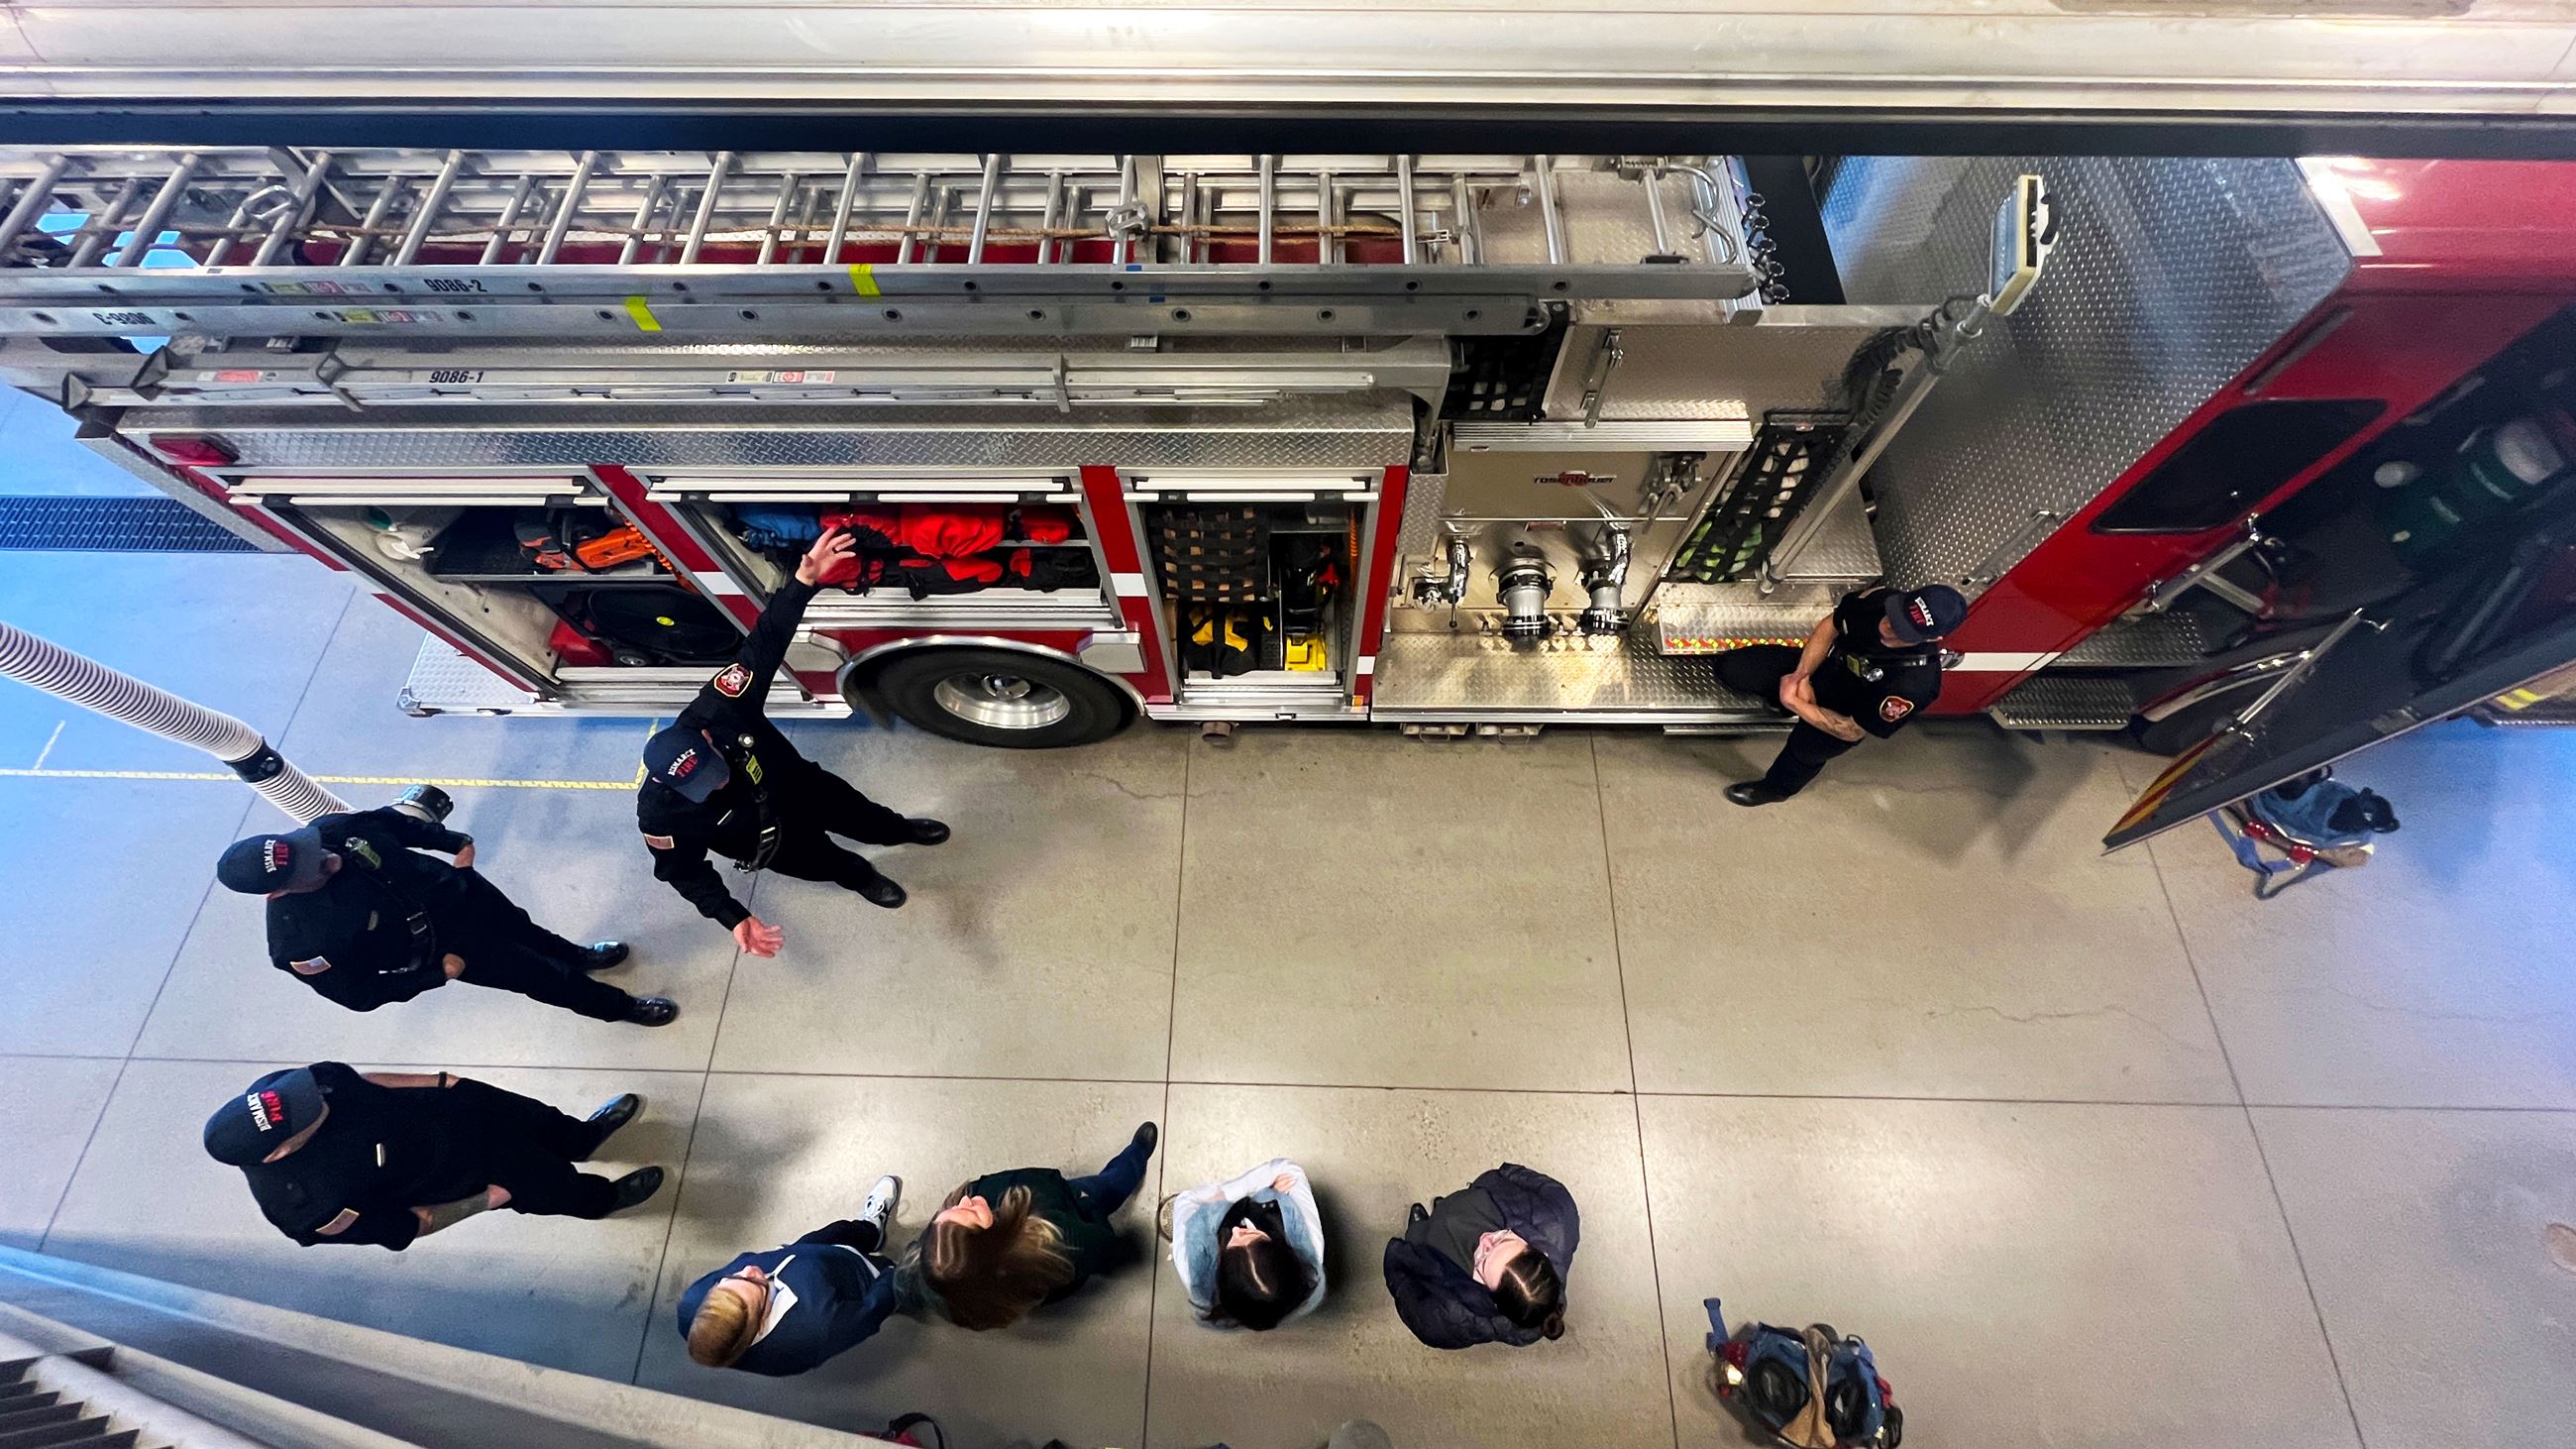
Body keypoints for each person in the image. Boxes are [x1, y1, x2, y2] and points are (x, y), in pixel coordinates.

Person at [638, 526, 948, 958]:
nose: (716, 786)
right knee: (828, 862)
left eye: (714, 772)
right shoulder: (660, 815)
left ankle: (899, 830)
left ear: (706, 738)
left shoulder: (718, 711)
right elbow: (683, 872)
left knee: (866, 817)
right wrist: (732, 915)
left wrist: (804, 582)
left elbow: (762, 646)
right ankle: (861, 877)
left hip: (803, 787)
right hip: (771, 840)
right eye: (702, 790)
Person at [217, 806, 675, 1027]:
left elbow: (391, 823)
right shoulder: (301, 943)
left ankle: (579, 955)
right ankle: (618, 1008)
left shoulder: (329, 833)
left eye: (310, 851)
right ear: (277, 891)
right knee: (543, 978)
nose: (325, 859)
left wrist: (451, 842)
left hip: (463, 893)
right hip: (448, 948)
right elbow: (358, 994)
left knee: (527, 930)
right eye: (310, 868)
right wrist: (437, 975)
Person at [202, 1061, 664, 1251]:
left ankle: (583, 1138)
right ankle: (601, 1200)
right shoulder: (307, 1207)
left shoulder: (282, 1093)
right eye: (310, 1114)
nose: (317, 1101)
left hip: (457, 1108)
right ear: (281, 1150)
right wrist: (486, 1200)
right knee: (552, 1186)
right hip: (473, 1173)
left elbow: (360, 1080)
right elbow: (406, 1225)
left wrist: (444, 1083)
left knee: (541, 1119)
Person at [1712, 583, 1968, 807]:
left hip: (1846, 711)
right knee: (1733, 668)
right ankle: (1782, 703)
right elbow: (1832, 624)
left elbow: (1852, 730)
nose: (1889, 625)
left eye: (1904, 631)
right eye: (1896, 614)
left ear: (1933, 638)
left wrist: (1798, 704)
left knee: (1805, 752)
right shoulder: (1878, 599)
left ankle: (1775, 789)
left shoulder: (1913, 685)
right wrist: (1801, 676)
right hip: (1825, 671)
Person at [902, 1122, 1158, 1331]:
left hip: (1050, 1260)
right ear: (994, 1244)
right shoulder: (1058, 1241)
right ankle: (1136, 1155)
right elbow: (1097, 1242)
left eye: (949, 1212)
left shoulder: (950, 1277)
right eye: (970, 1214)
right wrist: (1121, 1247)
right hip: (1072, 1202)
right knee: (1108, 1187)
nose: (965, 1199)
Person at [676, 1174, 906, 1375]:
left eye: (731, 1279)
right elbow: (871, 1311)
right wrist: (894, 1276)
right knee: (900, 1276)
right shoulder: (816, 1329)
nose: (750, 1269)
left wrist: (788, 1253)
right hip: (859, 1278)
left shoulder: (693, 1305)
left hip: (800, 1255)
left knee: (840, 1232)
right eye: (757, 1285)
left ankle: (870, 1231)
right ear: (761, 1323)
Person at [1382, 1163, 1576, 1349]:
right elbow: (1541, 1186)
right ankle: (1444, 1210)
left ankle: (1421, 1226)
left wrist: (1405, 1256)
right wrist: (1502, 1174)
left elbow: (1405, 1290)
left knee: (1426, 1232)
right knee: (1451, 1213)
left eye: (1483, 1261)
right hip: (1479, 1205)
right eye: (1503, 1240)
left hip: (1434, 1251)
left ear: (1492, 1299)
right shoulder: (1559, 1218)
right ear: (1539, 1250)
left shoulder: (1449, 1320)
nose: (1484, 1239)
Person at [1168, 1158, 1325, 1331]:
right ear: (1284, 1250)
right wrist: (1270, 1194)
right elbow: (1290, 1171)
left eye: (1232, 1250)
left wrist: (1224, 1196)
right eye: (1252, 1236)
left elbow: (1186, 1200)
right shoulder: (1310, 1249)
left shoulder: (1191, 1268)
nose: (1236, 1231)